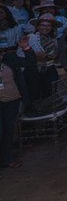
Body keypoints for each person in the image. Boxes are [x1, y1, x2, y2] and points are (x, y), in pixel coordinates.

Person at [0, 35, 33, 169]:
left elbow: (30, 63)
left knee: (8, 131)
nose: (1, 54)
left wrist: (26, 48)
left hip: (11, 100)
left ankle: (7, 159)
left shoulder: (10, 59)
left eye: (2, 52)